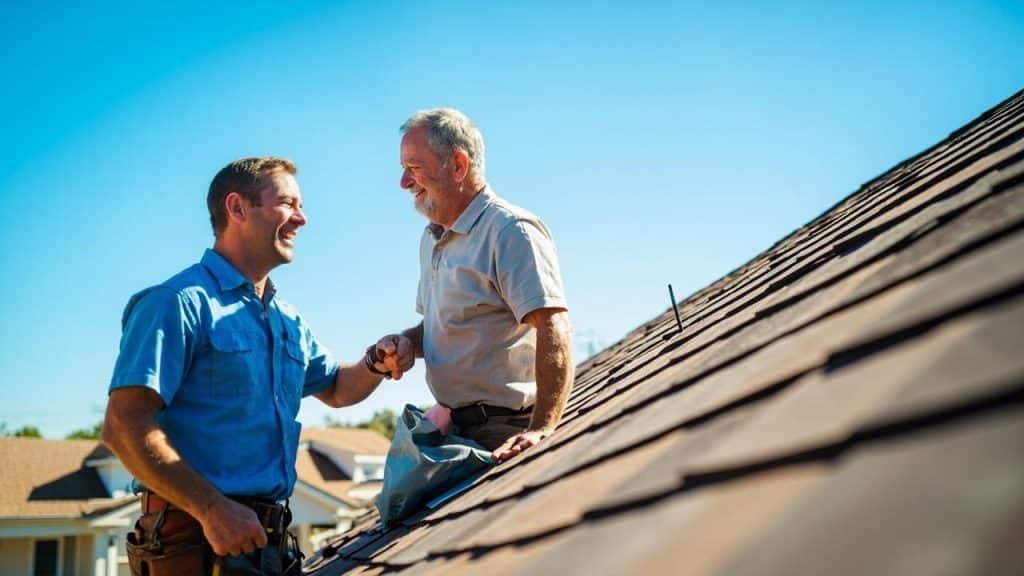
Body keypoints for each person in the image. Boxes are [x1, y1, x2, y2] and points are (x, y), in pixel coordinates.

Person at [103, 157, 409, 575]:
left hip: (266, 542)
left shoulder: (285, 319)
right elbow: (124, 425)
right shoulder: (175, 303)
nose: (301, 219)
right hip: (194, 540)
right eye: (287, 203)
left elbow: (337, 388)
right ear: (237, 207)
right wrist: (212, 509)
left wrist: (376, 361)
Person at [378, 108, 574, 464]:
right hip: (454, 430)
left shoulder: (510, 229)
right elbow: (442, 327)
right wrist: (407, 342)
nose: (404, 183)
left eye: (414, 168)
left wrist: (542, 428)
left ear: (457, 165)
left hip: (503, 432)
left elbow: (553, 325)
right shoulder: (432, 239)